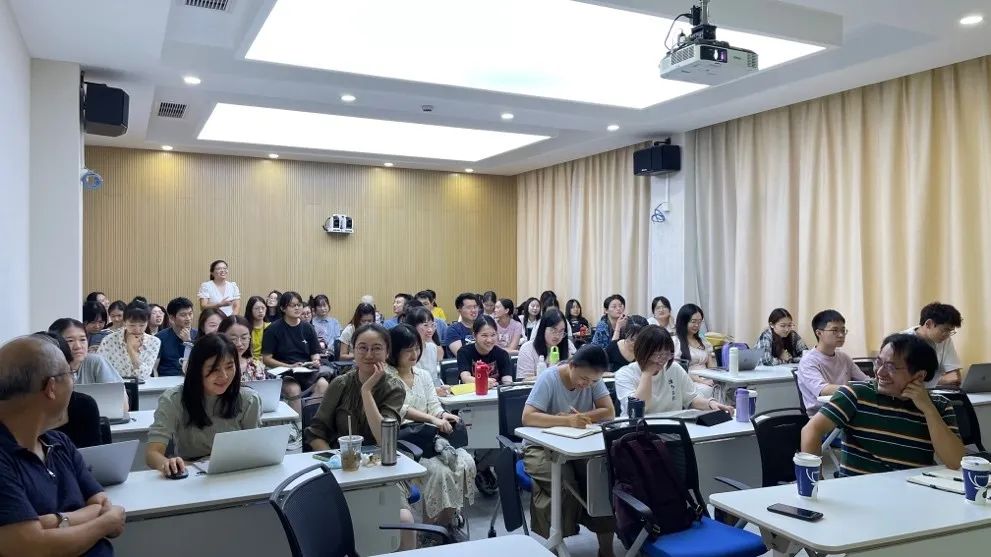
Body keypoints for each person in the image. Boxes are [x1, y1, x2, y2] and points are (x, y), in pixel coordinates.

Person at [0, 336, 127, 556]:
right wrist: (104, 524)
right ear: (51, 387)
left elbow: (101, 503)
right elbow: (30, 547)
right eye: (70, 374)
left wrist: (52, 521)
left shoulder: (59, 442)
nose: (73, 384)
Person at [304, 323, 413, 548]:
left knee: (404, 520)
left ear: (387, 352)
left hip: (382, 465)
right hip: (342, 467)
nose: (369, 354)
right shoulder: (340, 384)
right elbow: (316, 432)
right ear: (353, 350)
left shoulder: (394, 387)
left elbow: (383, 439)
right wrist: (334, 461)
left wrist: (366, 391)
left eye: (377, 348)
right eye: (362, 348)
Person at [801, 334, 964, 476]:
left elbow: (955, 461)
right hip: (858, 492)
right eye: (879, 362)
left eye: (891, 367)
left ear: (919, 376)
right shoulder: (856, 394)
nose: (880, 373)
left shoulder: (939, 405)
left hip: (912, 492)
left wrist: (928, 410)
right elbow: (811, 430)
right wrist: (815, 480)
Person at [521, 345, 616, 557]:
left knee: (601, 480)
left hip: (579, 445)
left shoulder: (593, 378)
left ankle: (606, 550)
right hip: (541, 446)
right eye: (583, 379)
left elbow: (609, 411)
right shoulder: (549, 378)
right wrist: (568, 421)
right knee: (564, 481)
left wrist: (583, 417)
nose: (586, 385)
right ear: (571, 365)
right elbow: (528, 417)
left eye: (593, 382)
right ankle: (557, 544)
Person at [386, 325, 476, 535]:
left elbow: (434, 405)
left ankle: (444, 525)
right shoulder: (387, 377)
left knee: (465, 462)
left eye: (417, 349)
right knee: (439, 472)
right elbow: (400, 409)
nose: (414, 354)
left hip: (431, 439)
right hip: (404, 441)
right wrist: (432, 419)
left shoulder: (423, 375)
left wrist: (443, 415)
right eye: (407, 350)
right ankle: (429, 530)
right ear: (394, 351)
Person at [145, 334, 263, 477]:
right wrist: (167, 463)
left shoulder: (248, 399)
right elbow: (153, 453)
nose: (224, 376)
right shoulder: (173, 399)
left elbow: (253, 449)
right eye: (214, 369)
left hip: (234, 472)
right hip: (191, 472)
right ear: (197, 369)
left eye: (229, 367)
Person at [615, 325, 733, 416]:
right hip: (639, 434)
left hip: (672, 430)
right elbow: (637, 410)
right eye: (658, 354)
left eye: (667, 354)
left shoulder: (674, 368)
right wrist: (647, 373)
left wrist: (711, 404)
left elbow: (692, 398)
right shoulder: (625, 374)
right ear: (642, 351)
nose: (662, 360)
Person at [796, 309, 868, 414]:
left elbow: (865, 381)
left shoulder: (844, 357)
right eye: (835, 330)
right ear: (819, 333)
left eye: (843, 330)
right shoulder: (808, 361)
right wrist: (857, 389)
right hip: (822, 414)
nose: (841, 335)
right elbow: (824, 390)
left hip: (847, 410)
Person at [261, 292, 330, 395]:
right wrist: (289, 366)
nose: (297, 308)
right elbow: (266, 358)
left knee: (323, 384)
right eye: (292, 305)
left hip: (307, 371)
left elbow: (315, 352)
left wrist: (315, 360)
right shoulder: (273, 329)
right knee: (293, 390)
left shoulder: (308, 328)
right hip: (284, 372)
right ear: (283, 308)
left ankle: (310, 406)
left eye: (299, 305)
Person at [901, 302, 963, 388]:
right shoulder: (901, 341)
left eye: (950, 331)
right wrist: (941, 380)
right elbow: (902, 380)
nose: (947, 335)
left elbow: (955, 377)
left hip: (935, 392)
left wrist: (926, 382)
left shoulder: (945, 340)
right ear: (928, 324)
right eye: (945, 330)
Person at [48, 319, 123, 386]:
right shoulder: (48, 367)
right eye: (70, 341)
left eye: (82, 339)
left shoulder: (96, 362)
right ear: (55, 342)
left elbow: (118, 395)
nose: (78, 346)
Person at [98, 304, 161, 381]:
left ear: (147, 322)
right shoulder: (109, 340)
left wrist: (131, 350)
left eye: (142, 325)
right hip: (114, 384)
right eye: (132, 325)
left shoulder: (154, 342)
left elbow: (143, 376)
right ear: (124, 322)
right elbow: (99, 369)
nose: (137, 329)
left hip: (143, 386)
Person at [517, 308, 577, 380]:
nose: (557, 336)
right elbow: (525, 380)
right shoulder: (527, 348)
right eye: (553, 330)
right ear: (543, 329)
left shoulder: (569, 345)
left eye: (561, 332)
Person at [673, 303, 717, 397]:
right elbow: (677, 370)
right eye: (693, 321)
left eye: (700, 322)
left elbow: (712, 367)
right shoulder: (675, 342)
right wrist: (701, 381)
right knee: (708, 390)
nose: (697, 325)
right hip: (688, 380)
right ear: (683, 321)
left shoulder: (704, 342)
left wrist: (716, 378)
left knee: (723, 387)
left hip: (706, 379)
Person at [457, 316, 514, 386]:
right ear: (474, 336)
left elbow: (508, 381)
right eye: (484, 335)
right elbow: (465, 378)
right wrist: (484, 381)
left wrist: (507, 383)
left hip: (495, 391)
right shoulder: (464, 352)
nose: (489, 340)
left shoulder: (502, 354)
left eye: (493, 335)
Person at [155, 297, 196, 377]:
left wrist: (188, 342)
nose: (188, 318)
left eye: (190, 313)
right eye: (183, 315)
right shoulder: (159, 338)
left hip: (191, 379)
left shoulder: (199, 335)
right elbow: (154, 369)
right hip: (166, 380)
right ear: (172, 317)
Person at [218, 315, 266, 381]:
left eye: (244, 338)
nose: (239, 343)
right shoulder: (214, 366)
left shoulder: (256, 366)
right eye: (233, 339)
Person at [405, 307, 444, 376]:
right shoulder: (407, 350)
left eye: (432, 325)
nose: (430, 330)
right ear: (413, 326)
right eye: (425, 325)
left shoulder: (432, 347)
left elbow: (439, 359)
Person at [443, 293, 480, 357]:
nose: (473, 310)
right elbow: (461, 355)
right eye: (469, 307)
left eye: (475, 307)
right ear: (459, 310)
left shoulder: (482, 326)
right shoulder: (453, 329)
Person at [244, 296, 269, 360]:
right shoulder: (244, 328)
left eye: (263, 308)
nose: (260, 311)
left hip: (267, 361)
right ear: (250, 310)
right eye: (257, 308)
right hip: (249, 361)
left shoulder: (271, 327)